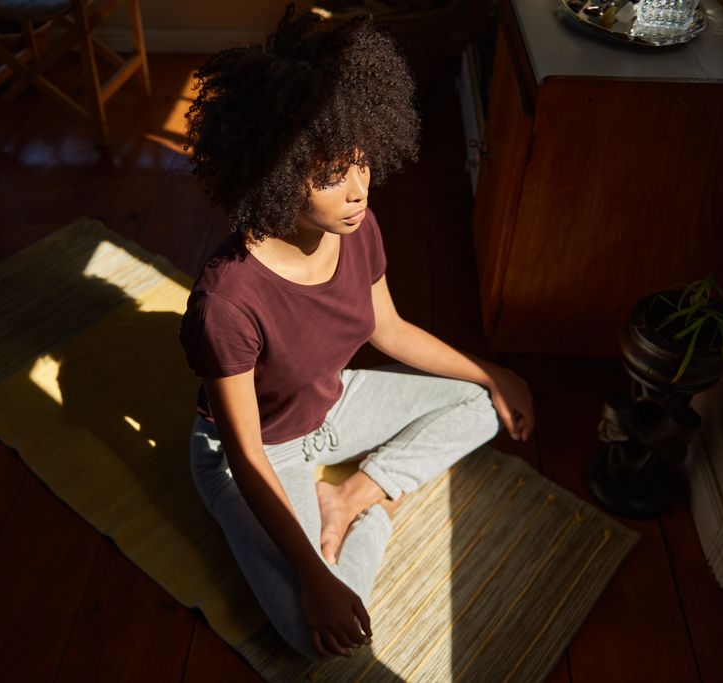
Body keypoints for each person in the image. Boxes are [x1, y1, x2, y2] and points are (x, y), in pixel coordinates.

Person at [178, 3, 535, 661]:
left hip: (331, 403)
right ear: (275, 173)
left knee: (485, 406)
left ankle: (354, 497)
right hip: (258, 451)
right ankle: (368, 512)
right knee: (316, 632)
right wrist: (314, 578)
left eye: (362, 162)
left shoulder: (357, 228)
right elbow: (249, 456)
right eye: (331, 175)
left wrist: (492, 372)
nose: (358, 190)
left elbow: (389, 327)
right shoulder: (226, 300)